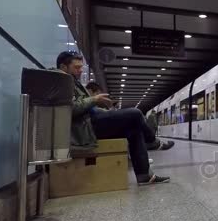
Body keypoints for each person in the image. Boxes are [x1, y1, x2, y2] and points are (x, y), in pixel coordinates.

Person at [56, 51, 173, 185]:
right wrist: (94, 99)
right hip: (85, 129)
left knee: (133, 127)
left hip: (89, 123)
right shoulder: (60, 80)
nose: (81, 70)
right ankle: (152, 142)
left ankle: (144, 176)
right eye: (77, 67)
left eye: (81, 67)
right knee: (135, 113)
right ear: (63, 67)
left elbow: (83, 107)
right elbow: (71, 109)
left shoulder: (72, 81)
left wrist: (102, 107)